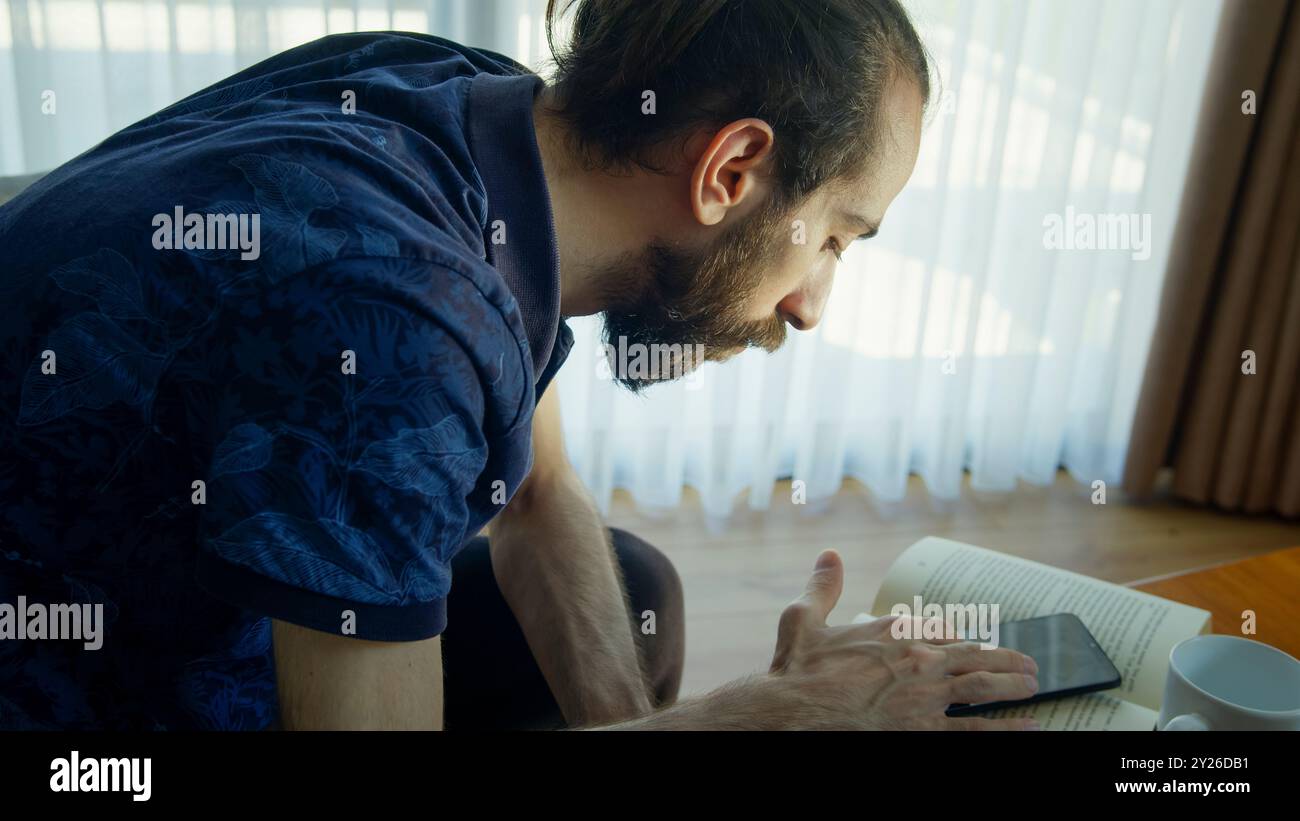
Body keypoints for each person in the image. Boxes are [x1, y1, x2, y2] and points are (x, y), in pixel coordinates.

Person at [0, 0, 1039, 730]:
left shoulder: (466, 103)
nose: (813, 305)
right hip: (79, 692)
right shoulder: (396, 316)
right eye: (835, 239)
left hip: (164, 564)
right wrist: (764, 720)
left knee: (629, 582)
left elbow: (537, 492)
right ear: (731, 168)